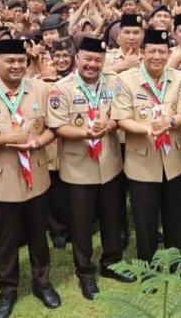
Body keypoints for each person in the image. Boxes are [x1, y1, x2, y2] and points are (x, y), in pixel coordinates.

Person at [0, 39, 61, 318]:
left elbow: (54, 128)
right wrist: (9, 138)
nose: (17, 66)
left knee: (38, 237)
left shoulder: (41, 89)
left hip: (37, 177)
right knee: (5, 242)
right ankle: (8, 291)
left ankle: (43, 284)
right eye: (10, 61)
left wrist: (38, 142)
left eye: (21, 61)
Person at [47, 36, 132, 300]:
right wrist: (85, 132)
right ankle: (85, 273)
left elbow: (120, 116)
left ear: (104, 61)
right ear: (77, 58)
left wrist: (110, 126)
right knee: (81, 224)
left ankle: (112, 262)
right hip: (78, 165)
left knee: (112, 217)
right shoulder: (61, 88)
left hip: (109, 162)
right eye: (88, 59)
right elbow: (58, 127)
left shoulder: (114, 81)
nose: (92, 65)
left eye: (98, 60)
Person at [114, 29, 181, 262]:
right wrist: (148, 129)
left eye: (162, 51)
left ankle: (176, 262)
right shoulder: (126, 80)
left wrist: (172, 122)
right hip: (142, 160)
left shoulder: (179, 78)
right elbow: (121, 118)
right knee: (145, 220)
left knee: (174, 217)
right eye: (152, 51)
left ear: (169, 54)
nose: (157, 56)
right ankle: (147, 266)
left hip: (173, 160)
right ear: (142, 52)